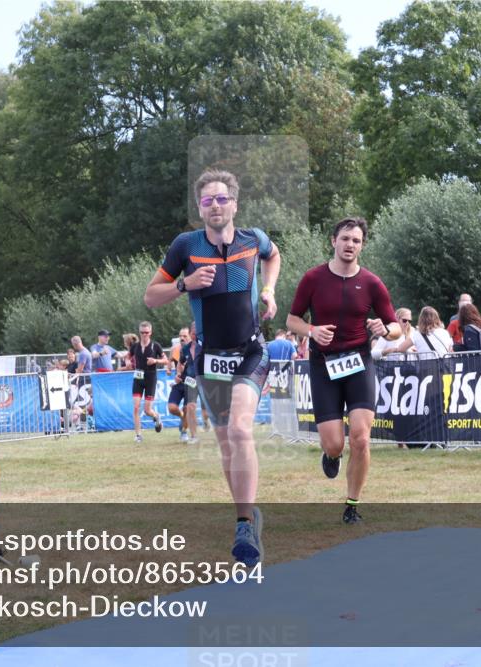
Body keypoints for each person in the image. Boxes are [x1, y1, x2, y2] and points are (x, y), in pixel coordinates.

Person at [144, 168, 280, 567]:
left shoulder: (253, 240)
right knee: (226, 443)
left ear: (235, 204)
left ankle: (243, 525)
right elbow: (151, 297)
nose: (216, 205)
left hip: (251, 350)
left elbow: (274, 257)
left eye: (222, 199)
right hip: (209, 356)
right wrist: (185, 284)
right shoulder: (186, 246)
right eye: (207, 200)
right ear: (200, 208)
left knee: (240, 430)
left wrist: (269, 291)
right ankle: (246, 514)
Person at [286, 217, 399, 524]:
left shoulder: (372, 283)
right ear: (333, 241)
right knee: (335, 443)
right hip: (324, 367)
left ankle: (352, 505)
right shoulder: (313, 278)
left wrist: (384, 329)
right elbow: (292, 320)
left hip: (359, 364)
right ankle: (331, 455)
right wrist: (311, 330)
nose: (350, 245)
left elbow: (396, 327)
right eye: (345, 238)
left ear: (362, 245)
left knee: (361, 439)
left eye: (357, 240)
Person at [128, 320, 167, 442]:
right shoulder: (135, 346)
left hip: (150, 378)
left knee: (147, 410)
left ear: (150, 332)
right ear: (139, 333)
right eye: (142, 332)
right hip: (138, 378)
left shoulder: (156, 346)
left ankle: (156, 417)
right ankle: (138, 435)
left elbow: (166, 360)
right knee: (135, 407)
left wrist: (155, 361)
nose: (144, 335)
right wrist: (128, 361)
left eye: (146, 332)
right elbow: (128, 356)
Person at [167, 323, 200, 444]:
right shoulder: (180, 349)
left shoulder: (201, 346)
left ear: (190, 336)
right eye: (180, 336)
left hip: (194, 381)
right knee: (173, 408)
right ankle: (183, 419)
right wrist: (177, 373)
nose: (182, 338)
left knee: (190, 408)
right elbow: (178, 363)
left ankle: (189, 433)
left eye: (185, 336)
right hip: (182, 382)